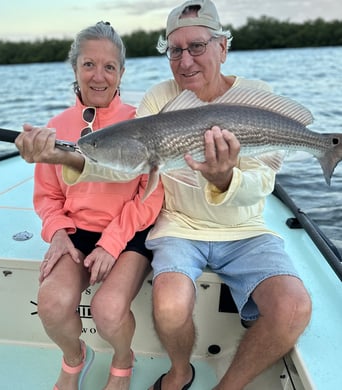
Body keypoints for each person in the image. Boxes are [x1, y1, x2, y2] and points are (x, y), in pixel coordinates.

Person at [135, 1, 312, 389]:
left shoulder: (256, 96)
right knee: (168, 306)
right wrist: (64, 158)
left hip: (245, 228)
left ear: (223, 48)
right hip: (180, 226)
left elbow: (263, 184)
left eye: (196, 46)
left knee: (294, 307)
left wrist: (223, 179)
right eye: (174, 49)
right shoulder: (157, 99)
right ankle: (181, 371)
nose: (185, 61)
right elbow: (126, 158)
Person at [15, 22, 164, 390]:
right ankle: (75, 358)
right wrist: (58, 233)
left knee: (108, 310)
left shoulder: (141, 121)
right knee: (50, 302)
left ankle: (123, 360)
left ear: (122, 73)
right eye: (89, 65)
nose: (99, 76)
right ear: (75, 68)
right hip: (77, 231)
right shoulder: (56, 127)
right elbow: (48, 197)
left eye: (109, 67)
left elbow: (151, 194)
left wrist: (111, 243)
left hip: (129, 231)